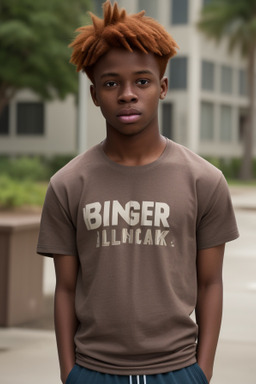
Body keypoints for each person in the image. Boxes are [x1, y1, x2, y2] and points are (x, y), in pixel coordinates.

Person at [37, 1, 239, 384]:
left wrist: (202, 372)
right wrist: (69, 375)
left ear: (162, 88)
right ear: (95, 94)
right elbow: (65, 288)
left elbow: (211, 282)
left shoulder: (204, 181)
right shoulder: (67, 184)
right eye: (111, 83)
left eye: (142, 81)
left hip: (178, 371)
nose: (127, 94)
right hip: (93, 371)